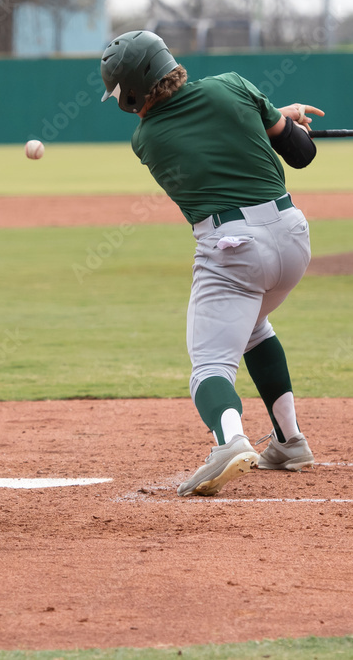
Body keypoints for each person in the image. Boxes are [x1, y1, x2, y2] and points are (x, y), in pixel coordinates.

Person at [99, 30, 323, 497]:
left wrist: (268, 115)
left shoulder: (146, 139)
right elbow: (301, 155)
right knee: (254, 327)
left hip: (234, 249)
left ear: (132, 93)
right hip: (292, 237)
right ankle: (289, 441)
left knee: (209, 365)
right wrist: (283, 121)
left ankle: (229, 442)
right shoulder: (233, 85)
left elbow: (207, 130)